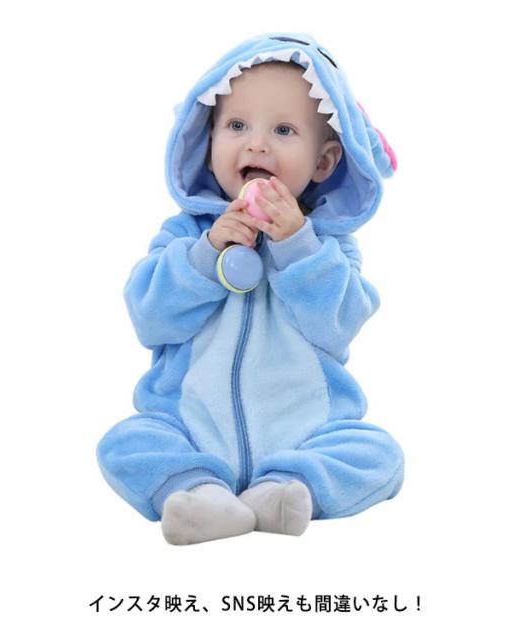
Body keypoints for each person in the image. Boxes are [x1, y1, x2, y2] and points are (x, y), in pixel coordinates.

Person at [97, 32, 404, 545]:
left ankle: (282, 489)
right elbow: (150, 317)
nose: (256, 144)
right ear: (208, 142)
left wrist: (298, 247)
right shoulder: (186, 235)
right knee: (125, 442)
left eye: (283, 130)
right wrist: (207, 254)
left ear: (323, 162)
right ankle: (198, 492)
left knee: (379, 454)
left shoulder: (328, 247)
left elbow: (339, 324)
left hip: (305, 432)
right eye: (236, 125)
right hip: (190, 429)